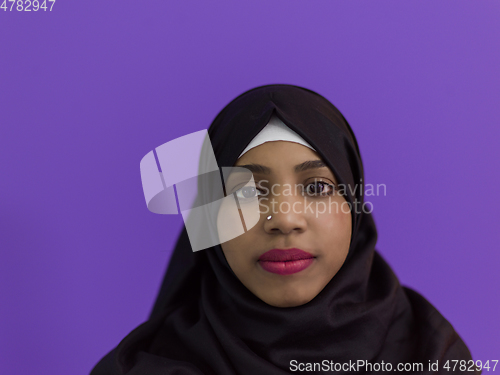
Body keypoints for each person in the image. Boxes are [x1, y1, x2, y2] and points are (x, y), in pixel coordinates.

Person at [91, 84, 477, 374]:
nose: (285, 219)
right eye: (246, 191)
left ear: (354, 206)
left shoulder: (430, 356)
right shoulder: (146, 367)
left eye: (316, 188)